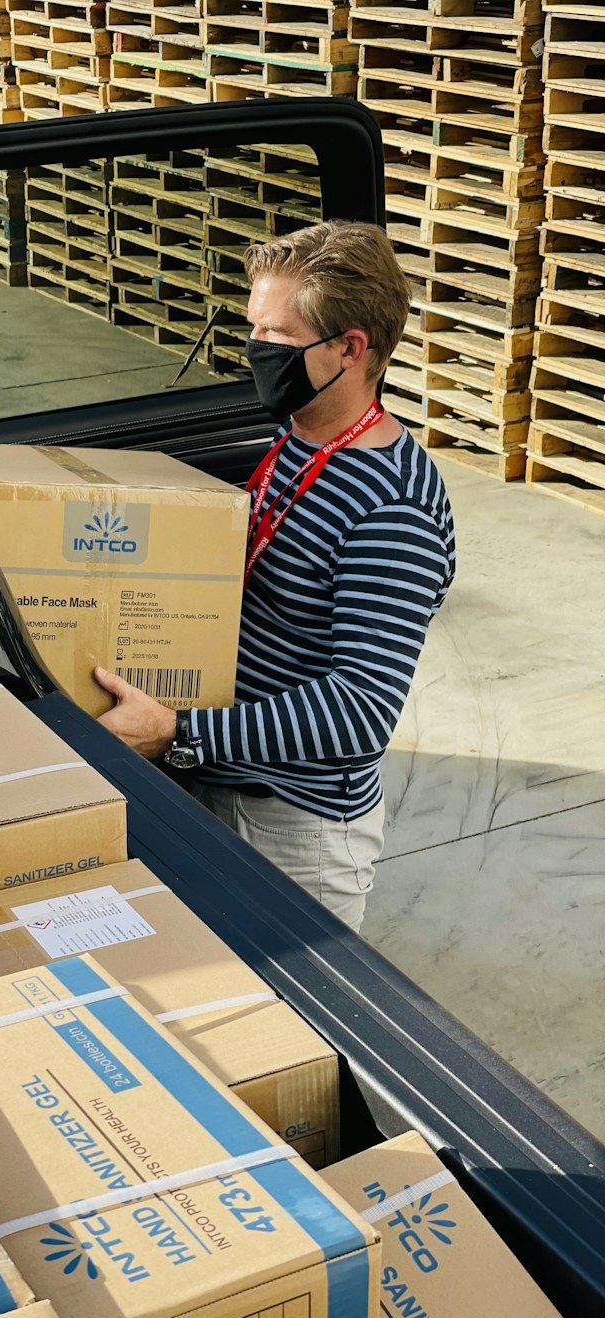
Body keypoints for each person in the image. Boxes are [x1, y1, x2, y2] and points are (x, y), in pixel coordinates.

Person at [94, 220, 456, 933]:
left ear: (350, 348)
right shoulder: (297, 436)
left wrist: (179, 731)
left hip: (290, 829)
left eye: (277, 339)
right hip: (215, 782)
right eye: (252, 328)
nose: (255, 352)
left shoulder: (392, 508)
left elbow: (360, 708)